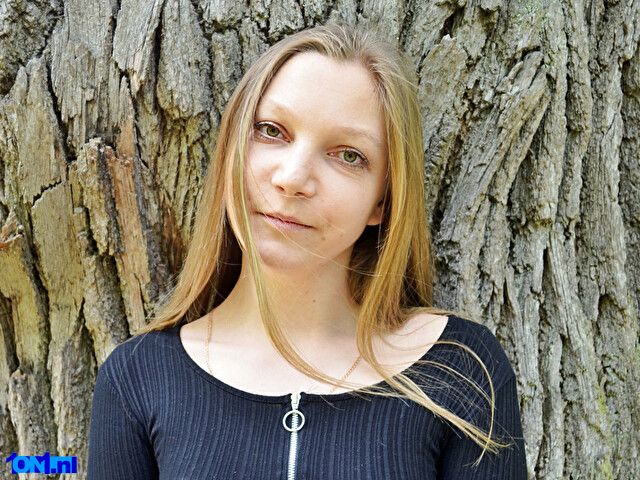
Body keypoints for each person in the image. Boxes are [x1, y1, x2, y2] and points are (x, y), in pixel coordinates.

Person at [87, 23, 527, 479]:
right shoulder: (137, 379)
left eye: (348, 155)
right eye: (271, 131)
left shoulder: (462, 371)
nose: (293, 179)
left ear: (382, 201)